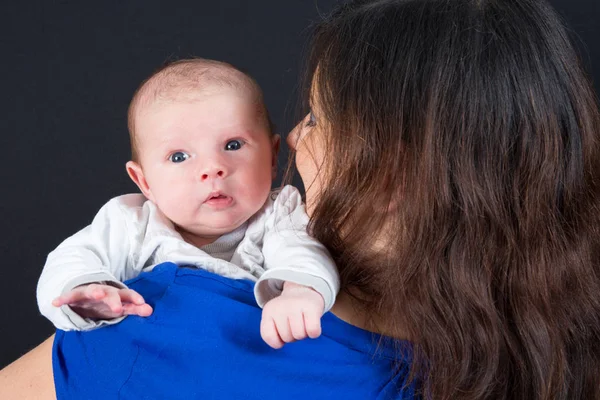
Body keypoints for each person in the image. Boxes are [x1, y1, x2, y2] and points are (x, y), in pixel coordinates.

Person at [2, 0, 600, 398]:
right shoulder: (559, 347)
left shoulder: (170, 323)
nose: (295, 139)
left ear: (386, 176)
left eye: (317, 119)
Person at [36, 58, 339, 349]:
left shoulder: (280, 213)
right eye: (179, 156)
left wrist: (300, 292)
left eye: (233, 145)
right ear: (144, 182)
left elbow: (303, 252)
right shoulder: (131, 223)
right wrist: (86, 291)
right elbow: (71, 258)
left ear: (272, 157)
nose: (212, 168)